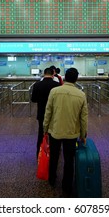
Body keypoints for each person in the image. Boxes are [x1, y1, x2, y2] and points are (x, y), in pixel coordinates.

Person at [43, 67, 88, 197]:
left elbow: (48, 112)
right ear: (76, 79)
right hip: (72, 133)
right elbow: (83, 117)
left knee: (54, 157)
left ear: (65, 77)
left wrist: (45, 129)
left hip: (55, 131)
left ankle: (52, 180)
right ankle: (66, 186)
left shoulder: (54, 91)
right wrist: (83, 134)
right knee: (69, 160)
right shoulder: (81, 95)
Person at [31, 68, 60, 158]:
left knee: (41, 133)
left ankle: (39, 154)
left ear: (44, 74)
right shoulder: (57, 85)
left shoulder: (37, 85)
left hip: (42, 112)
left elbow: (33, 99)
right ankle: (53, 155)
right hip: (54, 113)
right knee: (54, 134)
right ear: (53, 75)